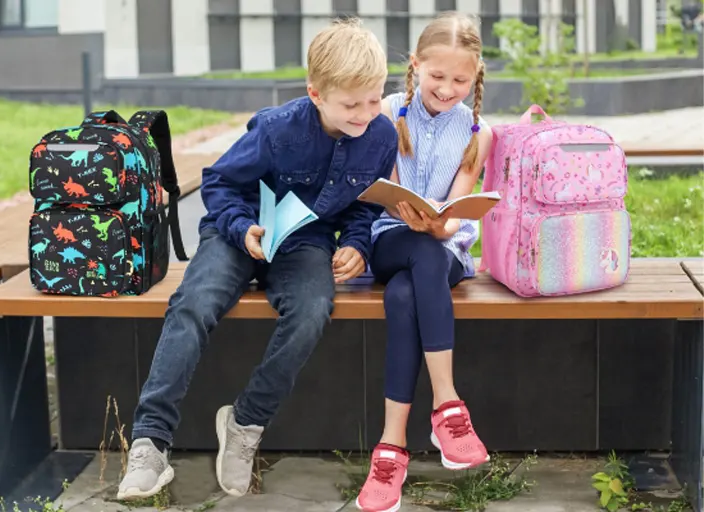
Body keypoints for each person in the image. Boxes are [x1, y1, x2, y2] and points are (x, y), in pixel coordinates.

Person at [116, 17, 398, 501]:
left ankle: (245, 423)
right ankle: (150, 441)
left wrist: (356, 244)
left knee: (312, 310)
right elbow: (219, 182)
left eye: (374, 99)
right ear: (316, 93)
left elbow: (362, 205)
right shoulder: (275, 129)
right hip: (238, 233)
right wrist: (242, 228)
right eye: (351, 104)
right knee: (194, 304)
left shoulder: (380, 137)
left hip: (304, 243)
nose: (365, 113)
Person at [355, 11, 493, 512]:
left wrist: (443, 224)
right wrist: (402, 209)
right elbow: (376, 191)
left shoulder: (479, 130)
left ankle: (391, 448)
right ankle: (447, 406)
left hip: (444, 251)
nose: (447, 88)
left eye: (460, 80)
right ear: (415, 66)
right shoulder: (386, 110)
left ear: (475, 77)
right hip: (391, 239)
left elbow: (458, 212)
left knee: (409, 287)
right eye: (437, 77)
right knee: (415, 257)